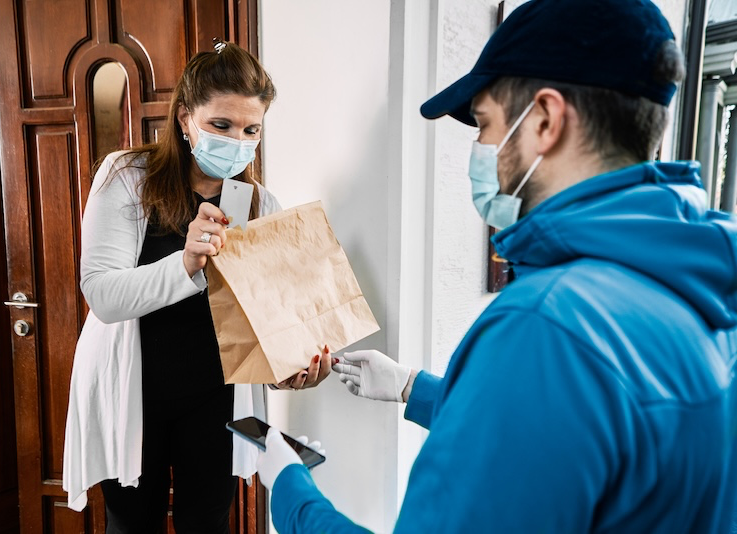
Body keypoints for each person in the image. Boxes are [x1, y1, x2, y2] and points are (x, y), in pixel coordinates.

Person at [254, 0, 737, 532]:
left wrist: (290, 490)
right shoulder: (699, 282)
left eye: (484, 124)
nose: (480, 147)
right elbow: (577, 434)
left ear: (546, 121)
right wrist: (415, 386)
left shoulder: (545, 326)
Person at [62, 41, 333, 533]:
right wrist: (187, 263)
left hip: (215, 398)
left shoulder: (259, 203)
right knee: (131, 525)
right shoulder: (127, 176)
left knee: (208, 524)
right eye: (221, 126)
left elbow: (263, 323)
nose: (238, 140)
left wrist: (289, 369)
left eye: (251, 129)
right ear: (186, 119)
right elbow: (102, 295)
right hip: (134, 391)